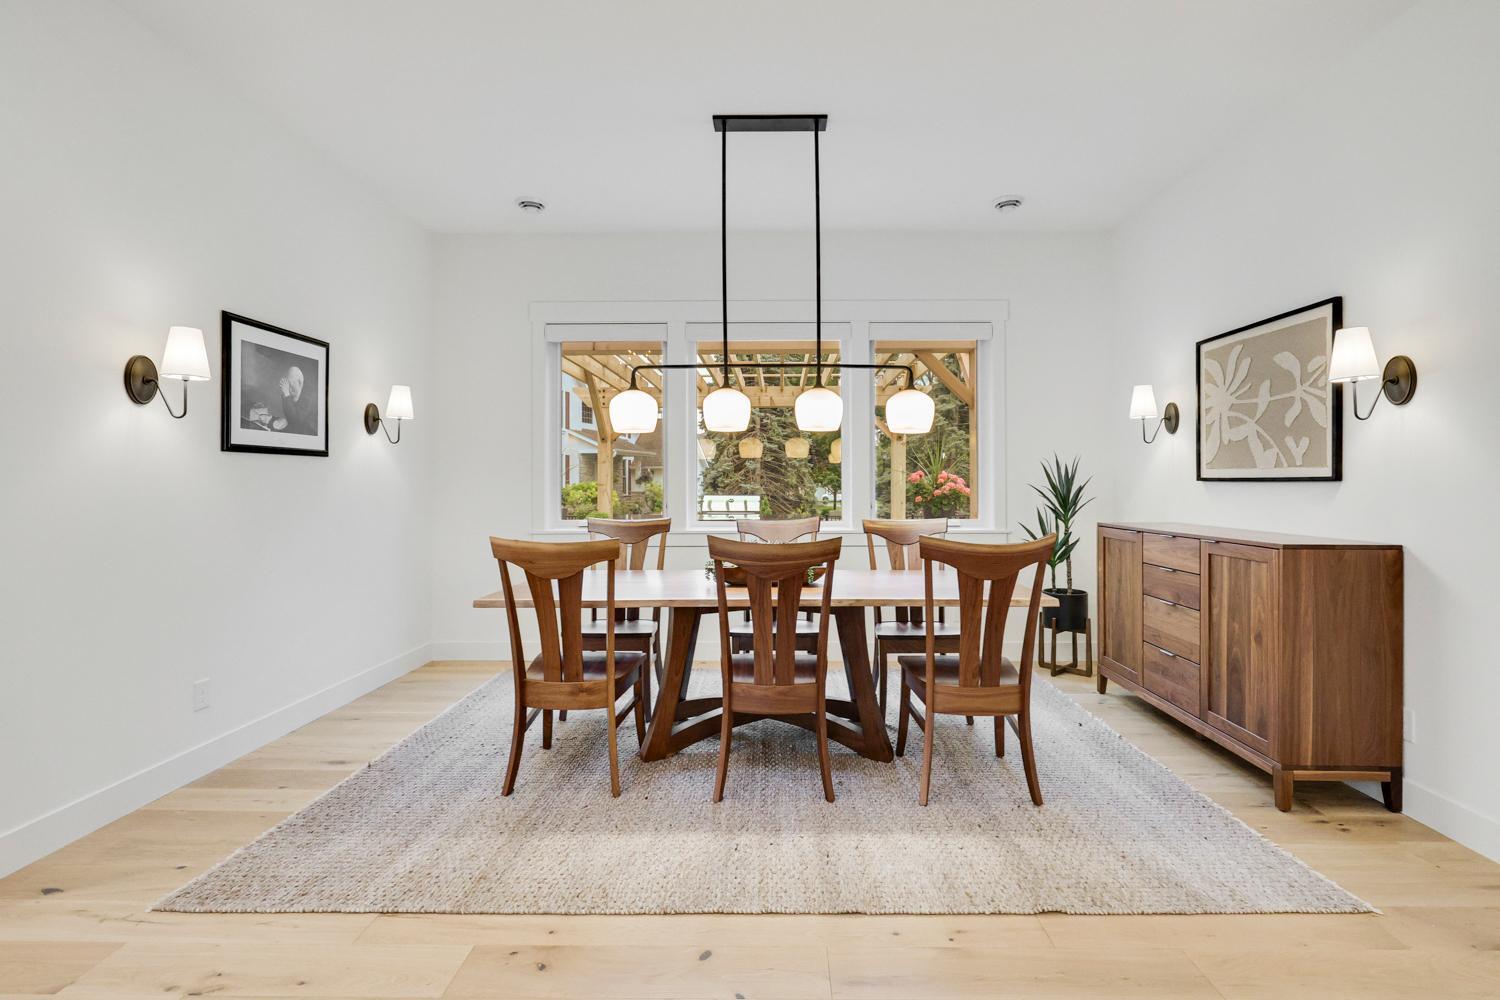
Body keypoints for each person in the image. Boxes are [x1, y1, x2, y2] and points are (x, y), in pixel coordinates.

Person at [278, 365, 317, 435]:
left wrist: (286, 395)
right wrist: (285, 395)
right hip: (296, 429)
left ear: (299, 382)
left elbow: (296, 421)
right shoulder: (296, 390)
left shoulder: (309, 396)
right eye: (288, 386)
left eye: (291, 385)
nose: (289, 389)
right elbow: (289, 416)